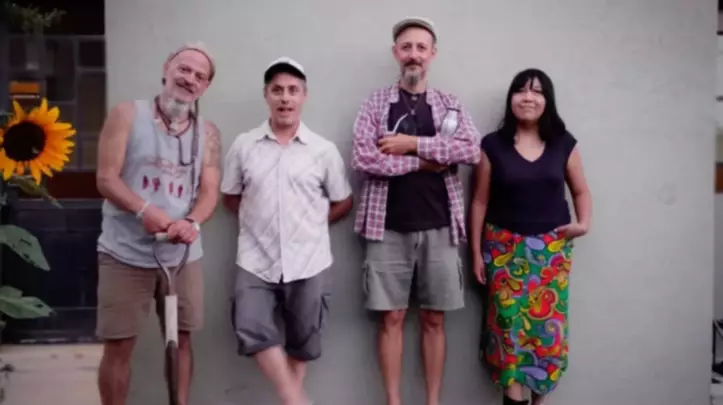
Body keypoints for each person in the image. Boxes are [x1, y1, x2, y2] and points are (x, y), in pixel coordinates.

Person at [351, 17, 481, 405]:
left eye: (421, 48)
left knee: (434, 318)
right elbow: (364, 157)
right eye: (406, 47)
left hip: (441, 226)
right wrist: (425, 162)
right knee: (391, 317)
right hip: (386, 227)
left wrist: (410, 144)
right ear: (396, 52)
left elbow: (470, 150)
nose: (414, 54)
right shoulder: (375, 103)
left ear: (432, 54)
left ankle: (432, 401)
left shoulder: (450, 104)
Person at [221, 56, 353, 405]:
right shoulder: (244, 145)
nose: (285, 98)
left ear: (304, 96)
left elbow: (343, 201)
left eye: (293, 90)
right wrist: (261, 223)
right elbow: (230, 197)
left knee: (303, 340)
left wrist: (309, 225)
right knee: (250, 326)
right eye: (277, 90)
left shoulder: (323, 150)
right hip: (254, 258)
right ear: (266, 95)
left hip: (310, 259)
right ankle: (297, 400)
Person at [94, 42, 221, 405]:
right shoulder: (126, 115)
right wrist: (143, 211)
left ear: (206, 86)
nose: (190, 79)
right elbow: (106, 178)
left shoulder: (207, 133)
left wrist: (192, 222)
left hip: (182, 256)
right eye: (184, 69)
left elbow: (209, 192)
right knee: (118, 345)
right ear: (167, 68)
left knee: (181, 341)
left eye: (199, 76)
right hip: (124, 253)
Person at [469, 68, 592, 405]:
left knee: (545, 337)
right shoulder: (492, 145)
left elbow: (581, 191)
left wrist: (583, 224)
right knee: (508, 333)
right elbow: (479, 201)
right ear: (511, 99)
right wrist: (476, 253)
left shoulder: (564, 143)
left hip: (551, 255)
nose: (528, 98)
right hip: (503, 252)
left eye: (537, 92)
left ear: (547, 100)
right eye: (521, 90)